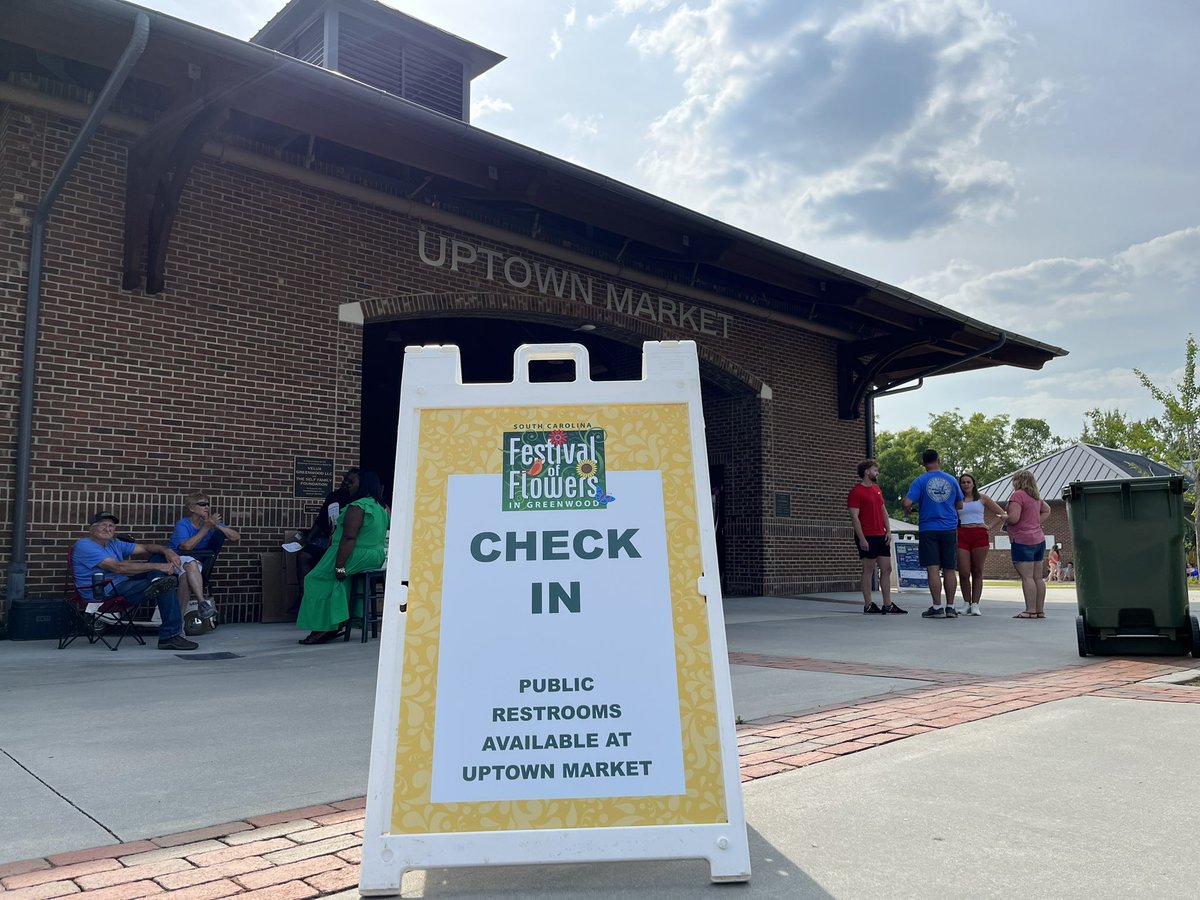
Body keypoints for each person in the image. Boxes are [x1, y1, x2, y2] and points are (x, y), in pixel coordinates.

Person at [71, 511, 198, 650]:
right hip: (102, 591)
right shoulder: (84, 545)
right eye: (103, 525)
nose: (107, 529)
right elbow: (118, 568)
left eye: (111, 526)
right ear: (92, 530)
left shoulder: (114, 543)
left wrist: (168, 551)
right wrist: (158, 567)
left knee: (159, 558)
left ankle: (157, 581)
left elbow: (145, 547)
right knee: (164, 582)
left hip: (121, 585)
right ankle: (170, 636)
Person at [297, 470, 391, 644]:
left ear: (362, 485)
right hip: (375, 554)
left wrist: (340, 565)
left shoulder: (358, 506)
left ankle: (323, 627)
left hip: (354, 552)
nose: (348, 485)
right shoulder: (380, 507)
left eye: (352, 482)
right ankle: (337, 622)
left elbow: (349, 538)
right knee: (340, 582)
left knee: (315, 579)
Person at [902, 449, 964, 619]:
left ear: (924, 463)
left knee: (933, 569)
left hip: (929, 528)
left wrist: (909, 508)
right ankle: (950, 607)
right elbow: (960, 505)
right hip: (949, 528)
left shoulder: (920, 481)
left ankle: (937, 607)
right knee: (950, 569)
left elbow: (907, 501)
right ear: (938, 460)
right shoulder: (951, 479)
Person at [290, 468, 360, 616]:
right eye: (345, 480)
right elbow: (320, 521)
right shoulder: (333, 497)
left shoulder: (358, 502)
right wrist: (307, 541)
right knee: (303, 556)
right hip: (326, 538)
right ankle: (303, 596)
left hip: (345, 543)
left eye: (351, 481)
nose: (346, 484)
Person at [169, 490, 241, 617]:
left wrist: (217, 526)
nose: (207, 507)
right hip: (175, 561)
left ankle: (178, 623)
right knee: (189, 563)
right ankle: (201, 602)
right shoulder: (183, 524)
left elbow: (235, 537)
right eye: (202, 504)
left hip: (197, 565)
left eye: (208, 504)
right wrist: (206, 528)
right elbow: (186, 547)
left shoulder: (209, 523)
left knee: (186, 575)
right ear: (192, 508)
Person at [848, 458, 905, 614]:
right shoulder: (856, 492)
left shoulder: (877, 489)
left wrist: (888, 531)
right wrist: (862, 539)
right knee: (868, 569)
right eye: (875, 470)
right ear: (867, 472)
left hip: (881, 535)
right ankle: (868, 604)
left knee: (886, 569)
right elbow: (854, 517)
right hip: (867, 535)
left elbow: (883, 512)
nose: (877, 473)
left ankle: (888, 604)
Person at [956, 472, 1007, 616]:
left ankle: (975, 604)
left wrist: (990, 526)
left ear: (973, 483)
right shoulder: (957, 500)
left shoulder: (982, 498)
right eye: (963, 482)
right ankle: (966, 602)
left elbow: (1002, 514)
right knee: (964, 572)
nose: (966, 484)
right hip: (962, 534)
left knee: (977, 571)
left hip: (979, 534)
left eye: (968, 482)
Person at [1007, 469, 1052, 619]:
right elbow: (1047, 510)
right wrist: (1036, 522)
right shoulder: (1036, 497)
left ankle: (1030, 610)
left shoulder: (1017, 495)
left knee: (1027, 577)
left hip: (1022, 540)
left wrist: (1003, 517)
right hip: (1039, 539)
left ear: (1018, 481)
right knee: (1038, 577)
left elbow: (1013, 518)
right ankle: (1040, 610)